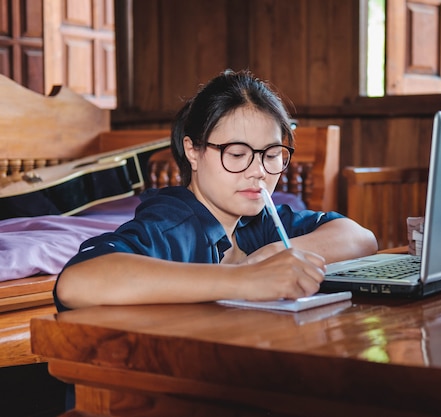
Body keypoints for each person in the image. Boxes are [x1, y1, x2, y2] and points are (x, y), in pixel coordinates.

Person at [53, 69, 378, 312]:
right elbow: (75, 282)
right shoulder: (174, 222)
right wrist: (248, 280)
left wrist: (273, 254)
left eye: (271, 155)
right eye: (237, 155)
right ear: (193, 151)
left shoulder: (259, 221)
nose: (259, 172)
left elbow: (359, 237)